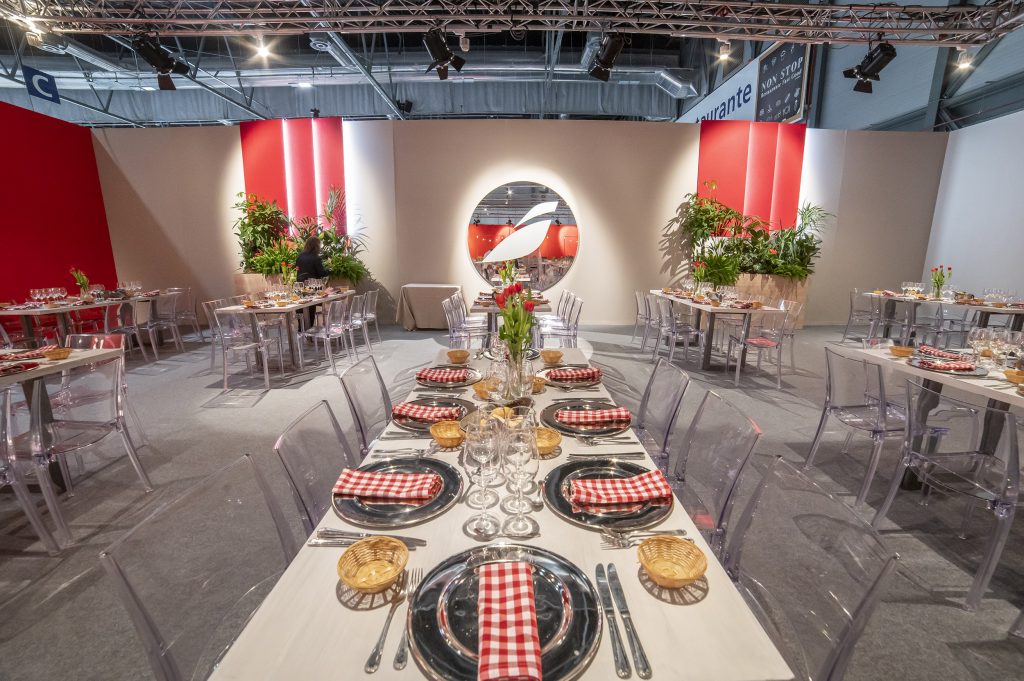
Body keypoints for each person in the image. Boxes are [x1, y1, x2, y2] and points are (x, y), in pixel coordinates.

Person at [296, 236, 329, 329]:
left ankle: (301, 330)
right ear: (316, 246)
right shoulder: (316, 258)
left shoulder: (300, 256)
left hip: (300, 287)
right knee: (310, 310)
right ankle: (309, 331)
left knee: (301, 311)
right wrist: (330, 270)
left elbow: (298, 269)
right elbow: (321, 273)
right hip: (312, 287)